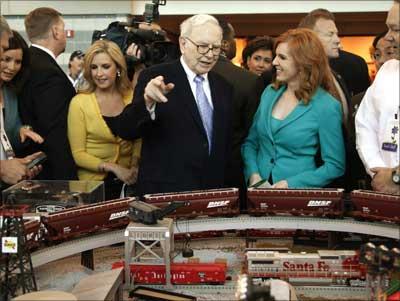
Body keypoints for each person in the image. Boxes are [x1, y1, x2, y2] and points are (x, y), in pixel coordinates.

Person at [104, 14, 233, 196]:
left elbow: (224, 146)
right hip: (165, 193)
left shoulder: (224, 86)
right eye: (203, 47)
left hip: (211, 194)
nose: (210, 54)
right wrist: (147, 102)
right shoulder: (155, 77)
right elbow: (127, 130)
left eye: (216, 48)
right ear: (183, 44)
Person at [242, 28, 345, 188]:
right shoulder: (269, 93)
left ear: (303, 63)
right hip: (258, 194)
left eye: (282, 57)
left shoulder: (326, 106)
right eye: (276, 56)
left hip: (298, 197)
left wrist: (290, 184)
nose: (274, 62)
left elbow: (335, 166)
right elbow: (250, 143)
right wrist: (253, 176)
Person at [68, 40, 141, 200]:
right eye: (94, 67)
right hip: (91, 189)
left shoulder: (131, 98)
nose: (99, 74)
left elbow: (138, 139)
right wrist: (114, 168)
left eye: (105, 67)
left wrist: (135, 165)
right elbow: (78, 154)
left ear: (118, 68)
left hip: (129, 186)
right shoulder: (79, 103)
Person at [19, 7, 77, 180]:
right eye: (63, 29)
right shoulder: (47, 72)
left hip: (30, 165)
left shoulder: (25, 63)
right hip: (49, 173)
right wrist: (68, 182)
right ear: (56, 31)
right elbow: (54, 134)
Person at [212, 18, 258, 208]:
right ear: (224, 43)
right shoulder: (249, 80)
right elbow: (253, 132)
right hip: (236, 170)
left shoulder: (189, 74)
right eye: (233, 39)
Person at [355, 0, 400, 195]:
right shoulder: (387, 71)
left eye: (395, 29)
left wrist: (396, 177)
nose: (389, 37)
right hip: (384, 190)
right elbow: (365, 125)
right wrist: (378, 173)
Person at [0, 17, 42, 187]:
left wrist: (19, 166)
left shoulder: (10, 93)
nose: (12, 67)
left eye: (18, 62)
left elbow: (9, 137)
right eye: (5, 57)